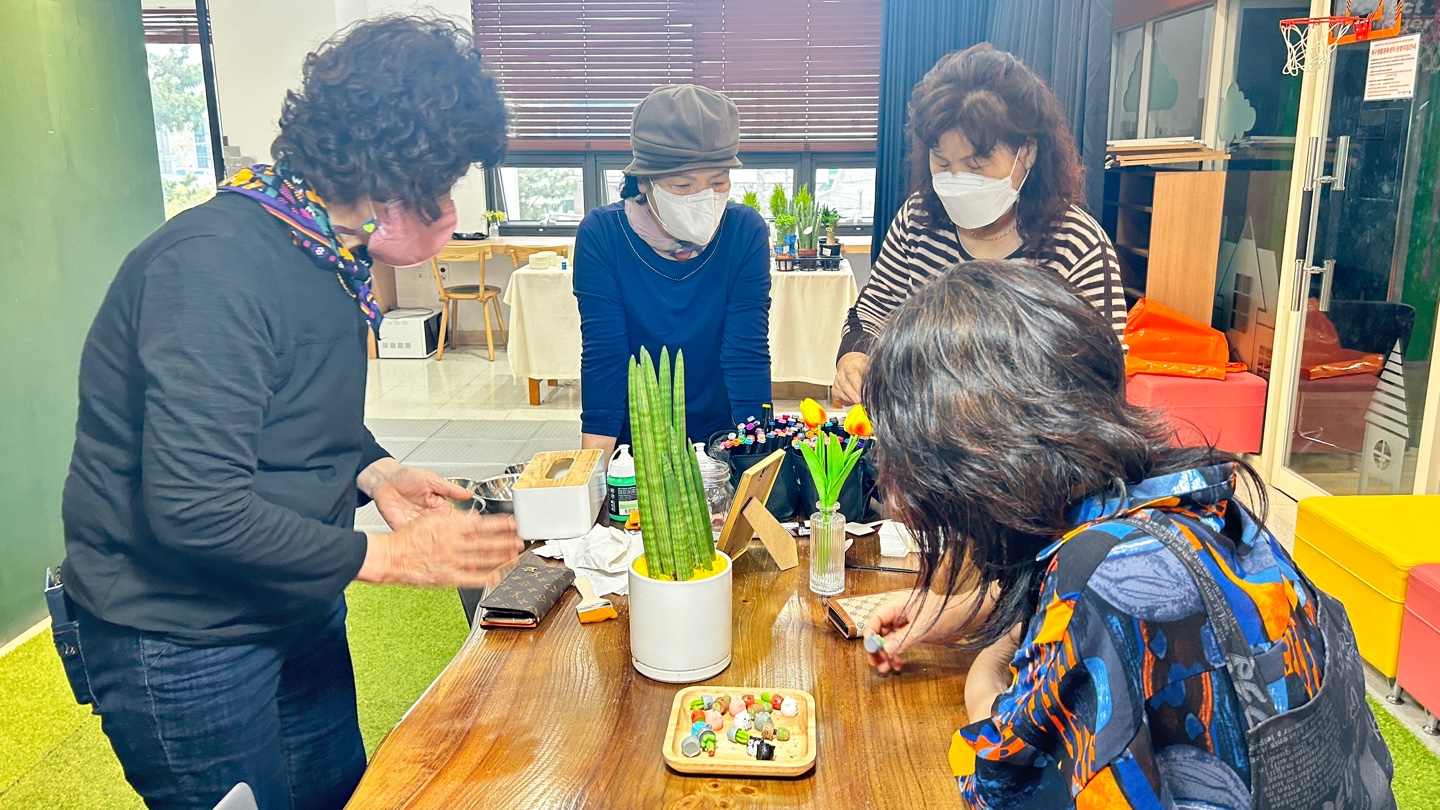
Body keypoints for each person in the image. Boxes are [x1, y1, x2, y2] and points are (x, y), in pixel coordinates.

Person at [57, 17, 520, 809]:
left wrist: (375, 471)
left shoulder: (322, 250)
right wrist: (389, 557)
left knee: (338, 792)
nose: (449, 209)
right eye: (440, 186)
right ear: (387, 181)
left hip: (293, 598)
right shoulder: (213, 269)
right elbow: (195, 505)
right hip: (183, 635)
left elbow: (289, 410)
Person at [861, 260, 1392, 807]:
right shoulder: (1196, 501)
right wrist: (969, 612)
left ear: (973, 457)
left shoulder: (1099, 572)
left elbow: (1006, 785)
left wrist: (985, 681)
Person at [833, 44, 1127, 405]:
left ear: (1027, 152)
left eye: (976, 166)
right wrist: (855, 358)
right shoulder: (918, 219)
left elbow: (1101, 382)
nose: (957, 180)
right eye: (942, 163)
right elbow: (873, 311)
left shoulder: (1075, 245)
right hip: (921, 425)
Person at [575, 84, 771, 455]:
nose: (703, 198)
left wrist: (757, 455)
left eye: (718, 182)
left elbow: (747, 352)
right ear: (644, 182)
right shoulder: (603, 234)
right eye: (682, 185)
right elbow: (604, 357)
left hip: (722, 435)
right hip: (636, 436)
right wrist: (595, 469)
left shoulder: (745, 231)